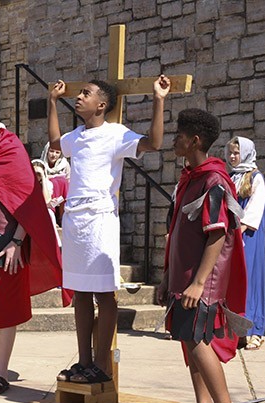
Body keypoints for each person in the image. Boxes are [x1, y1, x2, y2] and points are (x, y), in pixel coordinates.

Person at [48, 75, 171, 384]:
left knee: (104, 294)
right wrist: (52, 102)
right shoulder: (76, 136)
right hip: (75, 221)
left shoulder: (116, 134)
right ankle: (84, 361)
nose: (78, 97)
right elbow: (54, 143)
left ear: (101, 105)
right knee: (81, 293)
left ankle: (102, 365)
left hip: (100, 219)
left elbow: (153, 143)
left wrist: (159, 99)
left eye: (85, 94)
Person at [0, 106, 67, 395]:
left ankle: (1, 373)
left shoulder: (13, 151)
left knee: (3, 310)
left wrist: (17, 242)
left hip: (7, 243)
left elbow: (28, 203)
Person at [157, 109, 249, 403]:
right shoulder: (190, 178)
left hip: (202, 282)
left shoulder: (212, 181)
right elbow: (178, 231)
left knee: (198, 343)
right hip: (183, 279)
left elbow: (217, 234)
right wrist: (169, 277)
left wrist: (198, 282)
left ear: (195, 140)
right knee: (189, 342)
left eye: (180, 134)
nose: (175, 138)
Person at [225, 136, 265, 350]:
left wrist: (238, 232)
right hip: (232, 235)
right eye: (231, 152)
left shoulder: (255, 177)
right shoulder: (230, 176)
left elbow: (254, 210)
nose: (233, 156)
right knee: (235, 282)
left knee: (250, 279)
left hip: (247, 236)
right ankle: (238, 331)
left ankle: (255, 330)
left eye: (237, 153)